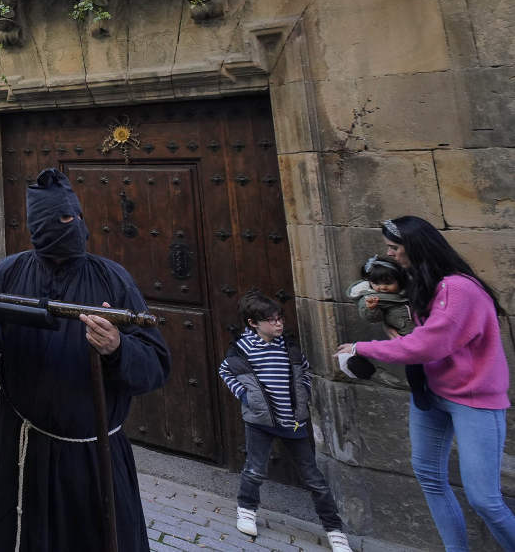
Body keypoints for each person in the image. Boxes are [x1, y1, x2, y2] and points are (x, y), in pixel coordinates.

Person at [0, 168, 169, 551]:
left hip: (93, 458)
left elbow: (155, 366)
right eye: (58, 221)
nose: (70, 227)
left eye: (73, 218)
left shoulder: (112, 279)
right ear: (37, 226)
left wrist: (117, 348)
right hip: (24, 447)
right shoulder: (10, 272)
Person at [338, 216, 515, 551]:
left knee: (485, 500)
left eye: (394, 248)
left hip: (473, 401)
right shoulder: (422, 282)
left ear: (415, 247)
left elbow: (429, 344)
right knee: (430, 477)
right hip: (432, 394)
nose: (389, 255)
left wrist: (363, 348)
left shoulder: (459, 287)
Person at [218, 290, 350, 550]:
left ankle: (334, 529)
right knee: (254, 469)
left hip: (293, 420)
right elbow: (225, 370)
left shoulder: (288, 347)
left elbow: (304, 371)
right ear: (253, 323)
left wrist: (304, 393)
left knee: (313, 478)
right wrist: (245, 397)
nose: (278, 324)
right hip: (260, 421)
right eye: (271, 320)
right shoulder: (243, 349)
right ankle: (246, 509)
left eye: (280, 319)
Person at [346, 254, 414, 336]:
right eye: (376, 283)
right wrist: (371, 308)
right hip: (403, 336)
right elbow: (374, 318)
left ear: (399, 280)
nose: (382, 287)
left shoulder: (408, 290)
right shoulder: (373, 298)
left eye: (388, 283)